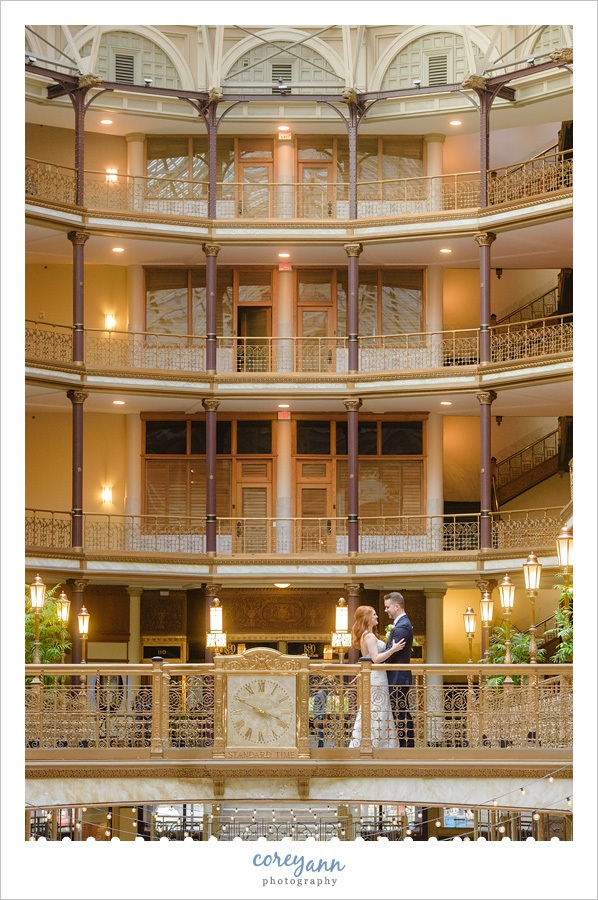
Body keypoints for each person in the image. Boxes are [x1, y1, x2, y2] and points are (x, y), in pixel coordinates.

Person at [349, 605, 405, 748]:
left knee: (377, 708)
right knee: (378, 708)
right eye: (374, 614)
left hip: (376, 676)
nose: (377, 616)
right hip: (377, 677)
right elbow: (375, 658)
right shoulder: (369, 636)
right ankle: (377, 744)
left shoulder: (366, 635)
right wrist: (393, 649)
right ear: (367, 618)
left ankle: (375, 742)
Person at [384, 591, 415, 748]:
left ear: (396, 606)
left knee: (400, 711)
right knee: (400, 710)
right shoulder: (401, 624)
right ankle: (404, 743)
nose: (386, 610)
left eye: (388, 607)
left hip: (398, 677)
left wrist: (377, 662)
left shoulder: (402, 626)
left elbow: (392, 653)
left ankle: (407, 745)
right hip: (397, 676)